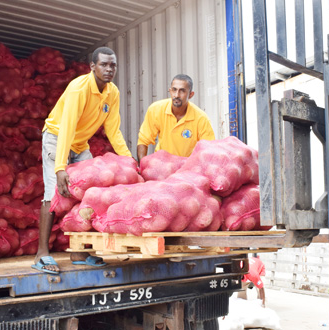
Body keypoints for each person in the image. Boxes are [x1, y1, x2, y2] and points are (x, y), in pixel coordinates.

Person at [32, 46, 132, 274]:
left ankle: (77, 252)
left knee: (88, 195)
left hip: (79, 144)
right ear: (92, 67)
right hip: (57, 138)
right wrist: (60, 168)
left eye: (112, 65)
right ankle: (41, 254)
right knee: (53, 194)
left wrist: (128, 160)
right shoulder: (79, 88)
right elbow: (66, 127)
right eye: (104, 65)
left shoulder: (112, 93)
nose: (109, 69)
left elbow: (113, 131)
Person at [136, 74, 215, 163]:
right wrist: (142, 166)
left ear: (191, 94)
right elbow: (143, 140)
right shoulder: (155, 110)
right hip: (161, 166)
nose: (176, 95)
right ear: (170, 91)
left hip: (187, 169)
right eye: (174, 90)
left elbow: (209, 150)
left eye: (182, 91)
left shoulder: (201, 118)